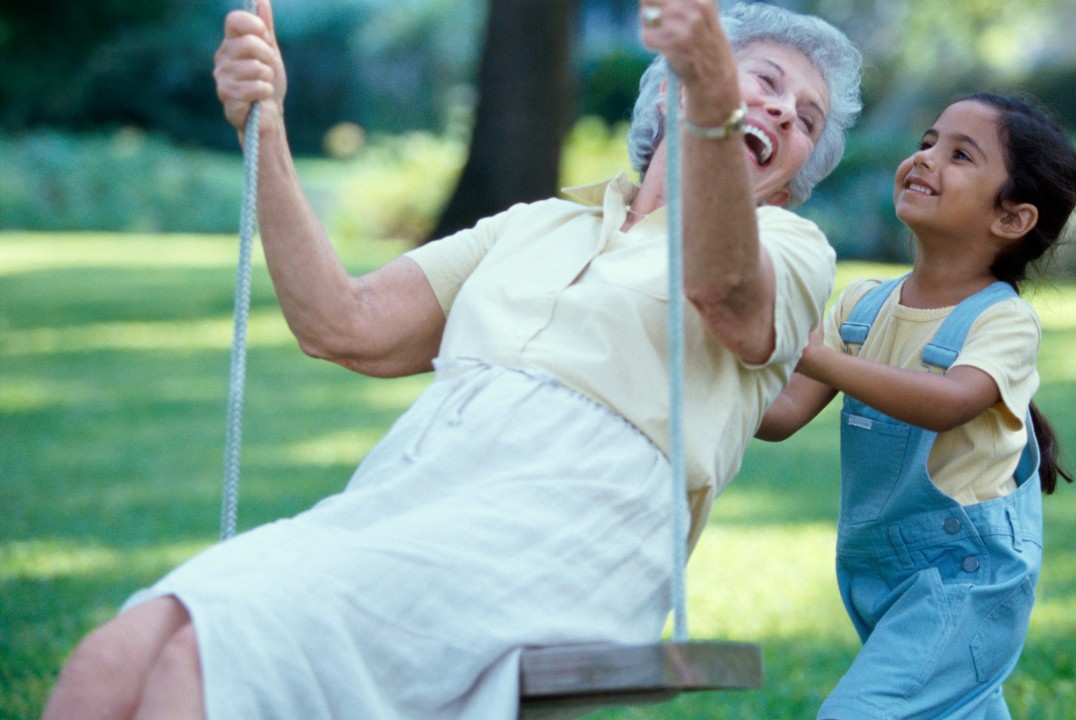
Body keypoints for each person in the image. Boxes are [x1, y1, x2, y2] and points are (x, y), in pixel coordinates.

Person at [40, 2, 863, 719]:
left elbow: (727, 294)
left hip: (573, 526)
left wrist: (723, 108)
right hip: (415, 490)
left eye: (808, 117)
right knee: (122, 652)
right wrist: (270, 127)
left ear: (792, 183)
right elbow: (344, 323)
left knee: (204, 665)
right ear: (666, 90)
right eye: (764, 80)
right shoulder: (537, 224)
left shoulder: (790, 249)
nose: (785, 111)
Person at [756, 92, 1076, 719]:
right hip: (877, 570)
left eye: (960, 154)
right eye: (929, 141)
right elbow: (780, 418)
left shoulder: (1003, 320)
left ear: (1012, 219)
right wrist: (715, 368)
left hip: (966, 579)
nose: (926, 158)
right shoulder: (862, 306)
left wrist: (822, 358)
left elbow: (949, 403)